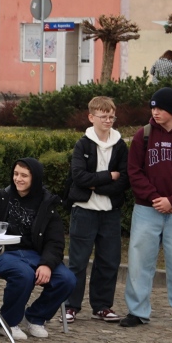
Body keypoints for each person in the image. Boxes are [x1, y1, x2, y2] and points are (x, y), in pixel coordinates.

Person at [0, 158, 77, 341]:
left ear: (34, 178)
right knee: (24, 275)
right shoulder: (1, 198)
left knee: (67, 279)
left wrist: (47, 265)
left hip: (36, 255)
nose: (18, 179)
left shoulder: (47, 204)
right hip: (3, 253)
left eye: (24, 175)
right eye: (15, 174)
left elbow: (55, 241)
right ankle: (6, 323)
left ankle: (36, 317)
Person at [123, 87, 172, 327]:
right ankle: (137, 311)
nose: (155, 112)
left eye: (160, 108)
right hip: (147, 209)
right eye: (153, 107)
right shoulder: (144, 134)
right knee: (139, 260)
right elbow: (134, 171)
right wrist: (155, 198)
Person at [66, 96, 128, 324]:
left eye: (112, 116)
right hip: (84, 210)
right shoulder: (83, 144)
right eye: (104, 116)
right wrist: (107, 178)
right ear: (91, 117)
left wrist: (96, 185)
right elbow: (79, 177)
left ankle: (102, 306)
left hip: (110, 212)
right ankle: (71, 306)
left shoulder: (120, 145)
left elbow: (124, 179)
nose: (109, 120)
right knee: (78, 261)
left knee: (109, 260)